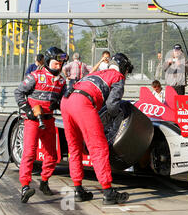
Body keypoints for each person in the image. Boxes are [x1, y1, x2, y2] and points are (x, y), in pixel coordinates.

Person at [60, 53, 133, 205]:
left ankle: (78, 190)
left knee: (74, 148)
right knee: (99, 147)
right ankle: (108, 192)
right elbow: (112, 106)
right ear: (124, 68)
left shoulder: (98, 72)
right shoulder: (117, 76)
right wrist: (115, 118)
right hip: (83, 103)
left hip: (66, 101)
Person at [14, 47, 68, 203]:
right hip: (32, 120)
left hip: (49, 120)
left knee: (52, 155)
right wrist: (27, 110)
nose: (59, 66)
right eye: (57, 63)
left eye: (61, 63)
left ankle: (44, 181)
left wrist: (57, 103)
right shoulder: (35, 76)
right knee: (29, 154)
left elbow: (63, 100)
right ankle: (25, 186)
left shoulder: (62, 81)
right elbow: (18, 92)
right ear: (49, 61)